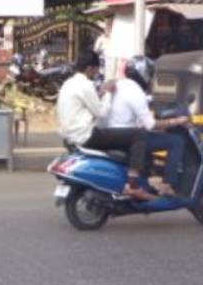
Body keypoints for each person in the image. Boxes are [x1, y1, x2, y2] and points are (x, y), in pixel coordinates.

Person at [56, 50, 151, 200]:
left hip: (70, 135)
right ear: (89, 69)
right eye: (96, 69)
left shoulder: (69, 83)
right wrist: (108, 92)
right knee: (138, 135)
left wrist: (101, 92)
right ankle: (133, 186)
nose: (97, 73)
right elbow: (101, 112)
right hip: (86, 135)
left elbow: (89, 102)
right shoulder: (85, 85)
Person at [102, 56, 190, 197]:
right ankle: (167, 184)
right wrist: (177, 121)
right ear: (143, 74)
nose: (150, 79)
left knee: (148, 138)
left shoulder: (120, 84)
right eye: (150, 74)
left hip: (114, 134)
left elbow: (140, 106)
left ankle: (145, 180)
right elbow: (151, 124)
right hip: (128, 139)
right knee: (176, 141)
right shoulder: (136, 92)